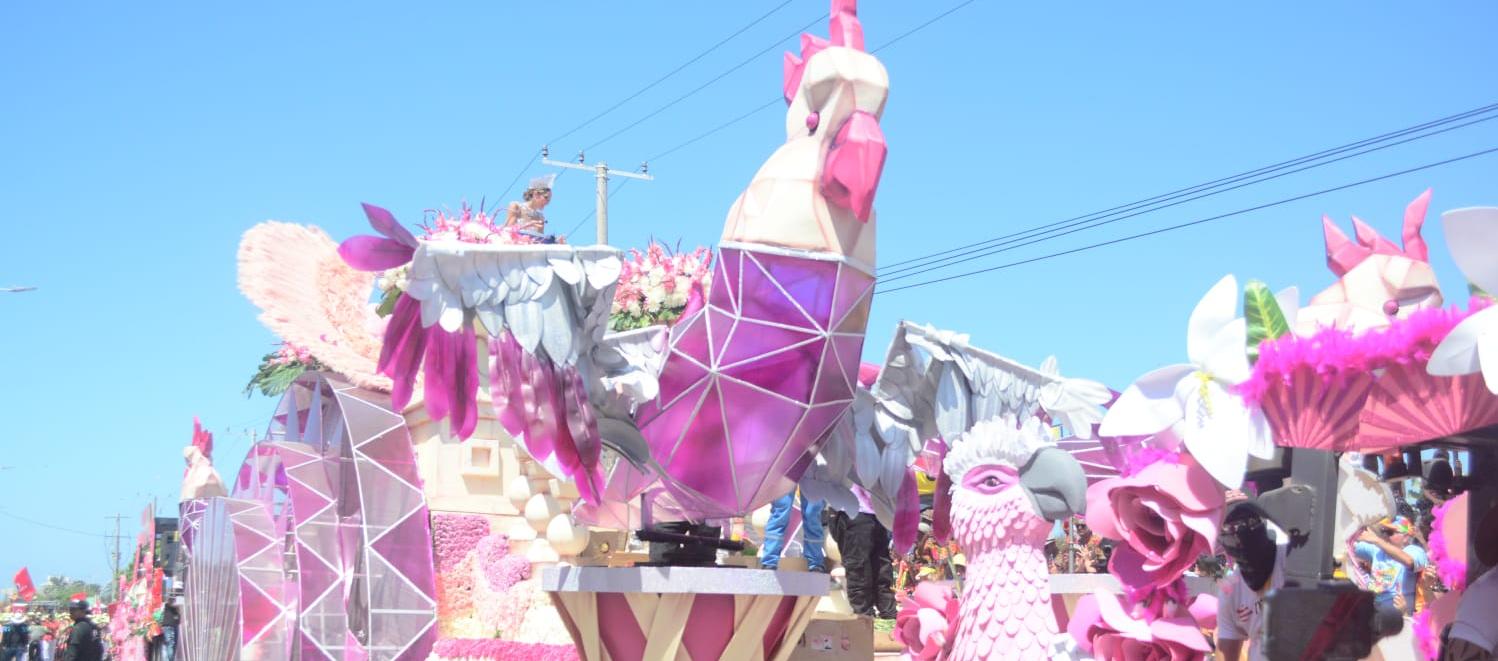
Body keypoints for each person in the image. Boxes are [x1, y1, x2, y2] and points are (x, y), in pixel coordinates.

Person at [1216, 501, 1288, 661]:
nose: (1238, 534)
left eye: (1244, 523)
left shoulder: (1290, 561)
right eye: (1228, 528)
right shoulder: (1231, 586)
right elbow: (1226, 650)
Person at [832, 484, 897, 620]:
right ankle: (865, 616)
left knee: (880, 566)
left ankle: (886, 614)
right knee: (860, 568)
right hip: (853, 509)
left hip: (877, 511)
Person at [1355, 516, 1429, 615]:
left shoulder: (1415, 551)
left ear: (1406, 537)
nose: (1386, 536)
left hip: (1400, 616)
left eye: (1390, 532)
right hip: (1373, 613)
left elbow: (1409, 561)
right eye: (1384, 532)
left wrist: (1377, 540)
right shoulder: (1377, 550)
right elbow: (1349, 545)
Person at [760, 487, 826, 571]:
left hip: (812, 475)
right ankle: (769, 562)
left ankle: (816, 563)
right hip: (786, 474)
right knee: (781, 511)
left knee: (812, 514)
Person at [505, 174, 557, 243]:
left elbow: (540, 241)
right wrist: (527, 225)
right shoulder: (516, 206)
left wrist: (556, 242)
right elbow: (508, 231)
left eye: (549, 200)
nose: (547, 202)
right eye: (546, 198)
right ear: (536, 195)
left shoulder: (540, 217)